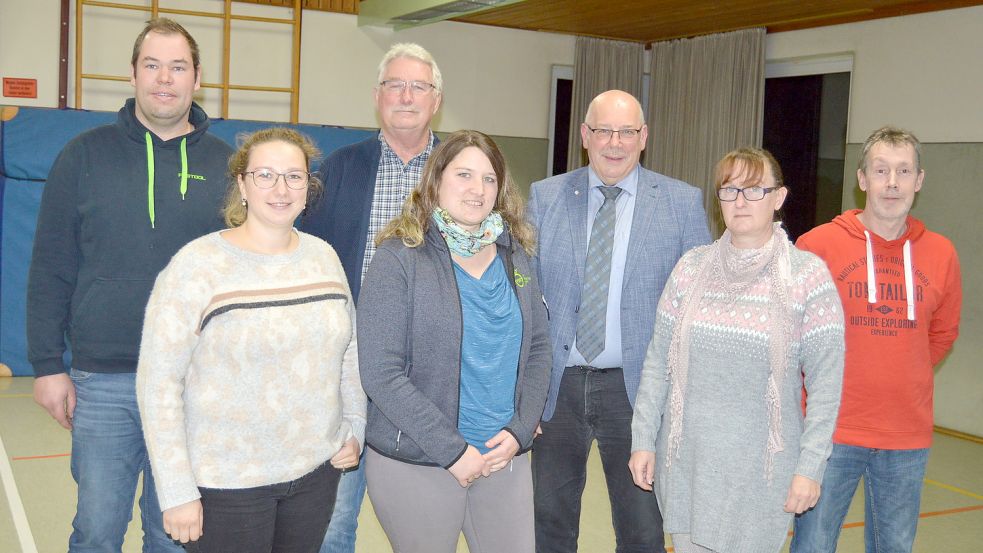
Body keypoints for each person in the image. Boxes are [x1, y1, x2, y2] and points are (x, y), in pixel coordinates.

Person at [26, 18, 233, 552]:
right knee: (96, 532)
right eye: (152, 65)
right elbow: (51, 265)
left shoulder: (230, 166)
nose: (165, 79)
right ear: (133, 74)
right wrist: (49, 366)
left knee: (174, 535)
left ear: (198, 78)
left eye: (178, 67)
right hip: (104, 381)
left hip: (195, 383)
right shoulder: (83, 155)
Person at [135, 127, 366, 552]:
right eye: (265, 175)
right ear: (242, 184)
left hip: (314, 475)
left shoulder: (323, 257)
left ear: (308, 186)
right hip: (226, 485)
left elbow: (347, 351)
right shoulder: (197, 266)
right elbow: (158, 384)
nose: (281, 189)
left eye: (294, 176)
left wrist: (355, 426)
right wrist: (176, 489)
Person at [628, 148, 845, 553]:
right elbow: (658, 362)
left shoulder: (808, 277)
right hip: (687, 464)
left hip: (761, 476)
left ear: (778, 198)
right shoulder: (690, 268)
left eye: (754, 189)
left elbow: (826, 385)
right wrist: (643, 438)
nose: (740, 201)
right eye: (729, 190)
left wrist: (810, 467)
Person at [527, 89, 711, 553]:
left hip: (637, 394)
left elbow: (699, 308)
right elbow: (523, 297)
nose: (615, 142)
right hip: (557, 389)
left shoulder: (681, 203)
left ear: (643, 137)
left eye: (626, 131)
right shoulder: (545, 197)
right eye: (603, 130)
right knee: (548, 523)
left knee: (642, 531)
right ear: (585, 135)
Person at [357, 130, 551, 553]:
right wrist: (453, 449)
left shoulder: (516, 254)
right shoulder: (399, 258)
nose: (477, 189)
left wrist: (520, 431)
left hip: (504, 456)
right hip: (421, 460)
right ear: (436, 181)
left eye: (488, 179)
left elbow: (538, 348)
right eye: (464, 174)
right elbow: (380, 372)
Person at [791, 127, 962, 553]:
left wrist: (902, 368)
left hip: (906, 437)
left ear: (919, 181)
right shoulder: (816, 246)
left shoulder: (942, 254)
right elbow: (791, 333)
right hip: (828, 433)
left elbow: (942, 334)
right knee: (812, 546)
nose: (892, 182)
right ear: (862, 178)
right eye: (881, 170)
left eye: (903, 171)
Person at [299, 42, 442, 553]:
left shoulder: (460, 172)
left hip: (430, 377)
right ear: (377, 97)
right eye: (394, 85)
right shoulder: (337, 170)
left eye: (417, 86)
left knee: (427, 525)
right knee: (334, 523)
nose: (405, 96)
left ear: (436, 99)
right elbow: (302, 259)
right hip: (347, 372)